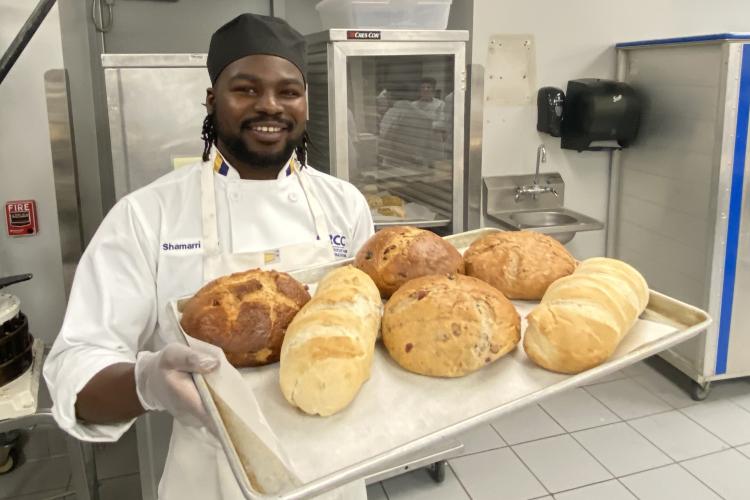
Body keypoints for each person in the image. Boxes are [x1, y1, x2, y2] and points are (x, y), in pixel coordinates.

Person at [43, 13, 373, 500]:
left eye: (288, 91)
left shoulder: (344, 204)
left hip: (334, 475)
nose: (270, 106)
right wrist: (147, 384)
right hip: (210, 479)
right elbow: (77, 364)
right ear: (212, 100)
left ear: (306, 103)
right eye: (246, 89)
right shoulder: (147, 215)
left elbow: (367, 316)